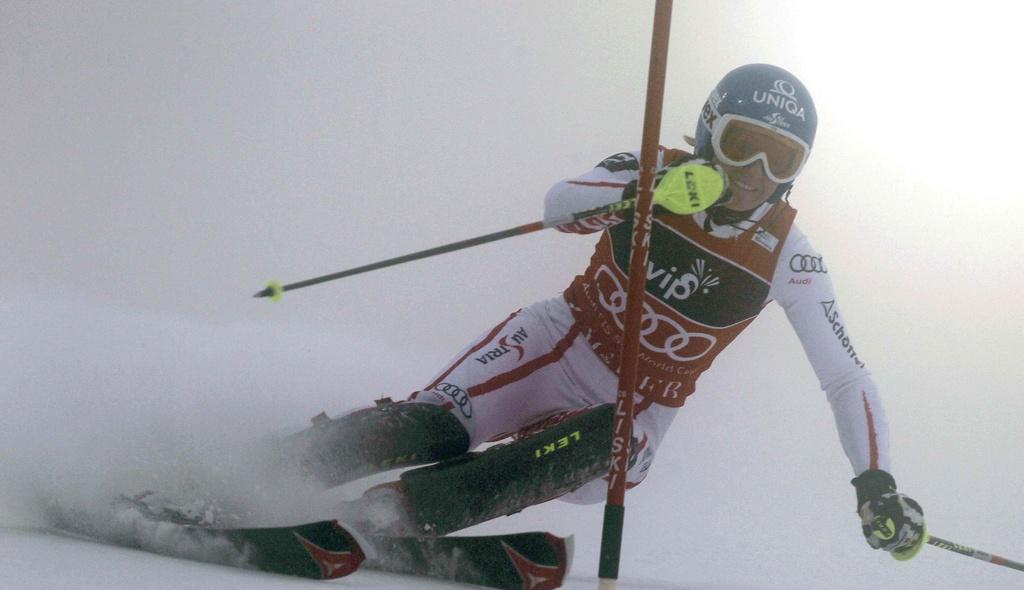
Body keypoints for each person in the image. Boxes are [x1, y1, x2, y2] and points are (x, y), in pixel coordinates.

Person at [302, 63, 926, 561]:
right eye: (742, 146)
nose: (754, 175)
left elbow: (846, 377)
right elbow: (558, 205)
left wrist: (876, 483)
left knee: (610, 439)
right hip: (557, 344)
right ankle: (281, 467)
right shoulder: (653, 169)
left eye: (780, 160)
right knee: (435, 426)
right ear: (710, 132)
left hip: (641, 406)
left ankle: (397, 513)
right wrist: (644, 196)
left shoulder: (790, 256)